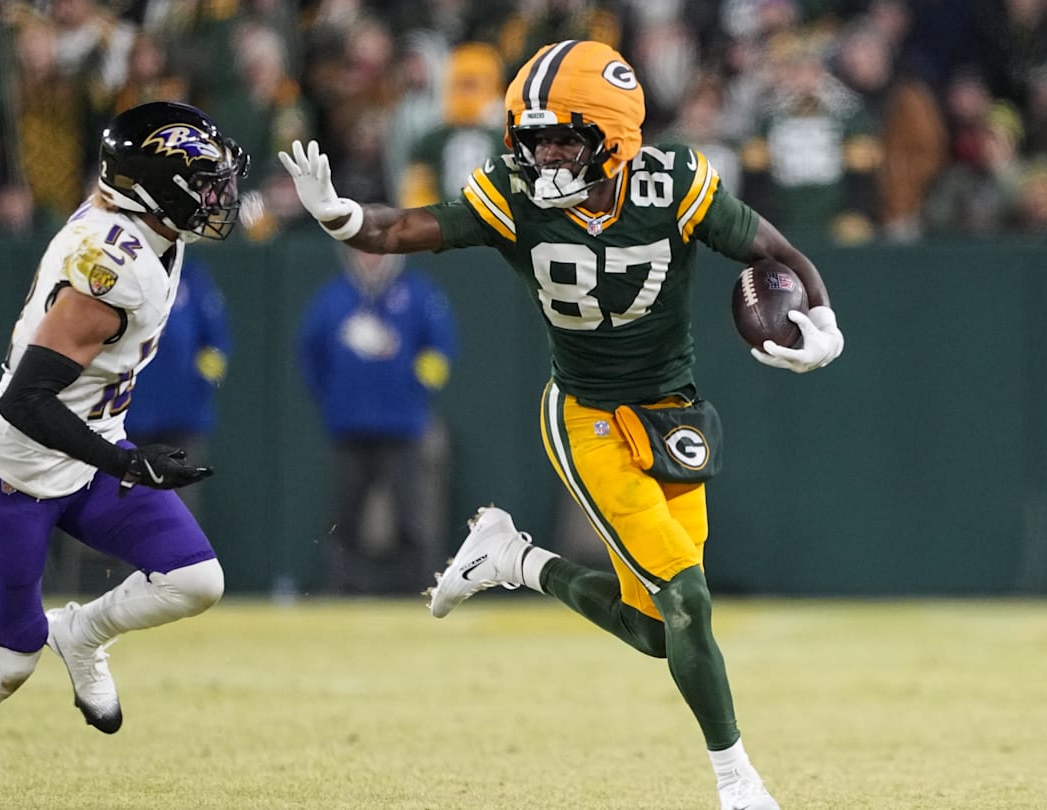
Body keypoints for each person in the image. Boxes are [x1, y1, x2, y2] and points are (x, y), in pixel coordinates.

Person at [279, 40, 845, 810]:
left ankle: (514, 559)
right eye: (534, 137)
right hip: (587, 416)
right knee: (689, 602)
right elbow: (409, 227)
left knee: (659, 630)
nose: (543, 154)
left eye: (563, 138)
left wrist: (823, 321)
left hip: (671, 411)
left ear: (612, 135)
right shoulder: (514, 192)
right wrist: (346, 216)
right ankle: (737, 781)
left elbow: (778, 253)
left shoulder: (672, 181)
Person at [0, 101, 248, 810]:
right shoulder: (109, 267)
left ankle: (83, 634)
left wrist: (116, 453)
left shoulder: (152, 231)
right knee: (9, 658)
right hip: (13, 468)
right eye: (204, 182)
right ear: (157, 189)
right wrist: (127, 462)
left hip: (91, 450)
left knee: (196, 579)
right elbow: (23, 402)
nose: (219, 198)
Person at [297, 245, 458, 595]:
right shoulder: (333, 298)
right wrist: (333, 397)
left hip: (403, 426)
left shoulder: (419, 293)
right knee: (345, 512)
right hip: (348, 426)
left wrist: (415, 387)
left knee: (412, 515)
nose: (370, 257)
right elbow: (311, 355)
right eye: (362, 251)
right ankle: (344, 585)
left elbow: (441, 349)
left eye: (376, 250)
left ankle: (419, 586)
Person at [123, 255, 231, 525]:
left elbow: (217, 341)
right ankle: (131, 569)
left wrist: (199, 384)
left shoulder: (193, 276)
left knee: (180, 513)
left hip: (183, 420)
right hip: (128, 417)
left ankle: (179, 568)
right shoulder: (123, 272)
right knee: (129, 510)